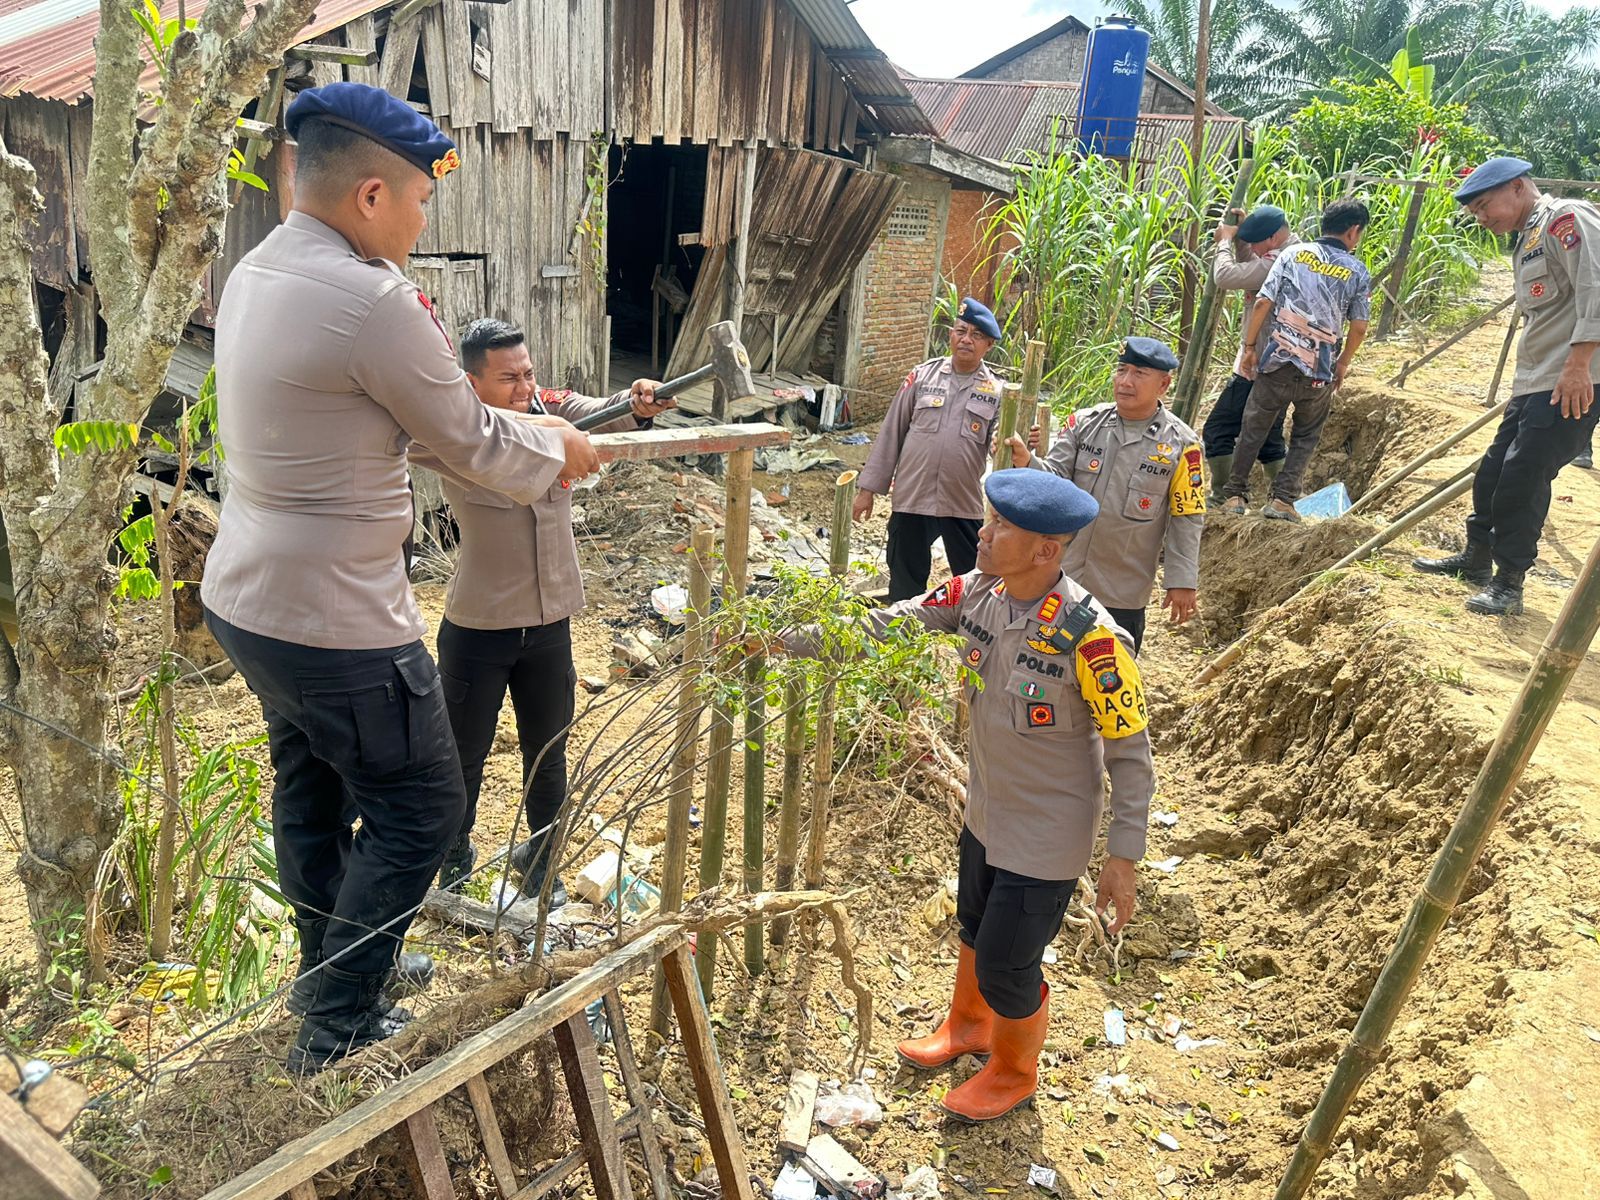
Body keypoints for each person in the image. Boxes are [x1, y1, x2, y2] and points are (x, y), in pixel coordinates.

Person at [201, 83, 600, 1073]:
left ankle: (333, 971)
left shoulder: (256, 270)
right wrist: (557, 444)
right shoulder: (371, 299)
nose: (425, 222)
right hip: (335, 616)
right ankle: (337, 1022)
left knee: (311, 791)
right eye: (421, 199)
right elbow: (468, 438)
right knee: (422, 808)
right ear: (371, 195)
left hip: (250, 600)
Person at [780, 470, 1153, 1122]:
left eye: (1002, 525)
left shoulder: (1092, 640)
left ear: (1046, 550)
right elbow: (891, 623)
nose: (983, 532)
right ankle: (969, 1026)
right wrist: (784, 638)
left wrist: (1123, 857)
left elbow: (1131, 755)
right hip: (986, 812)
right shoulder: (979, 592)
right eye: (990, 517)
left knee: (1010, 964)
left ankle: (1014, 1071)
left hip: (1047, 833)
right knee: (976, 927)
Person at [423, 320, 672, 899]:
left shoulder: (548, 406)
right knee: (464, 755)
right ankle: (455, 854)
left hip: (548, 625)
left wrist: (636, 402)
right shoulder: (453, 433)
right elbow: (429, 438)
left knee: (548, 753)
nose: (524, 387)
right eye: (508, 378)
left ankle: (540, 860)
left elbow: (598, 410)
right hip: (479, 626)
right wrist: (554, 432)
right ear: (471, 383)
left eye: (528, 373)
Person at [1413, 158, 1600, 615]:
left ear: (1517, 187)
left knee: (1524, 476)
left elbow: (1596, 288)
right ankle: (1476, 559)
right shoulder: (1529, 237)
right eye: (1474, 211)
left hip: (1572, 378)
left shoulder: (1566, 220)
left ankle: (1508, 583)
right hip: (1538, 379)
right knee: (1494, 470)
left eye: (1484, 206)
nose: (1481, 218)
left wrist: (1579, 364)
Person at [1008, 337, 1205, 654]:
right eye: (1122, 370)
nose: (1125, 381)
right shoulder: (1084, 424)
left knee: (1107, 673)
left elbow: (1187, 516)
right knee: (1041, 662)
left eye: (1139, 373)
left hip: (1121, 592)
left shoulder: (1182, 445)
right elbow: (1055, 480)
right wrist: (1027, 461)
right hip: (1061, 578)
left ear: (1164, 384)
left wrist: (1181, 580)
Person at [1220, 200, 1372, 522]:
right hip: (1319, 371)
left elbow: (1262, 303)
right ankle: (1282, 501)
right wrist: (1343, 363)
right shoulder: (1357, 270)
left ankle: (1234, 496)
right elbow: (1359, 327)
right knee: (1305, 435)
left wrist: (1250, 347)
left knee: (1253, 428)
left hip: (1277, 362)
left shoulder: (1291, 255)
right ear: (1353, 231)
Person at [854, 299, 1005, 600]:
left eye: (976, 335)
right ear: (950, 335)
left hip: (961, 501)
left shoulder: (997, 391)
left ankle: (965, 628)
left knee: (975, 580)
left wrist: (1008, 440)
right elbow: (892, 432)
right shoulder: (922, 377)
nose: (966, 339)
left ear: (988, 345)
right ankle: (904, 628)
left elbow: (1000, 445)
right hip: (913, 496)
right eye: (961, 331)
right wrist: (867, 490)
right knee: (904, 582)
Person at [1202, 204, 1300, 503]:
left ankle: (1223, 496)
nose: (1254, 249)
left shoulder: (1279, 260)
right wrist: (1244, 240)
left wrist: (1224, 241)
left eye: (1256, 242)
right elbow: (1251, 271)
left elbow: (1227, 276)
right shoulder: (1291, 252)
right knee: (1269, 434)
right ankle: (1280, 499)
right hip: (1281, 363)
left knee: (1218, 428)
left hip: (1259, 361)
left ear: (1271, 238)